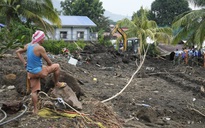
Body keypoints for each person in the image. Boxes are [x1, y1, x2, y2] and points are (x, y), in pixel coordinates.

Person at [16, 30, 67, 114]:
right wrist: (49, 64)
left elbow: (17, 52)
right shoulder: (40, 48)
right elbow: (49, 62)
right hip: (40, 72)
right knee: (57, 66)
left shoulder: (28, 45)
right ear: (40, 39)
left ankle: (35, 109)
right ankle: (57, 83)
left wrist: (24, 62)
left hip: (31, 73)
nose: (44, 40)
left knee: (34, 92)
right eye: (43, 38)